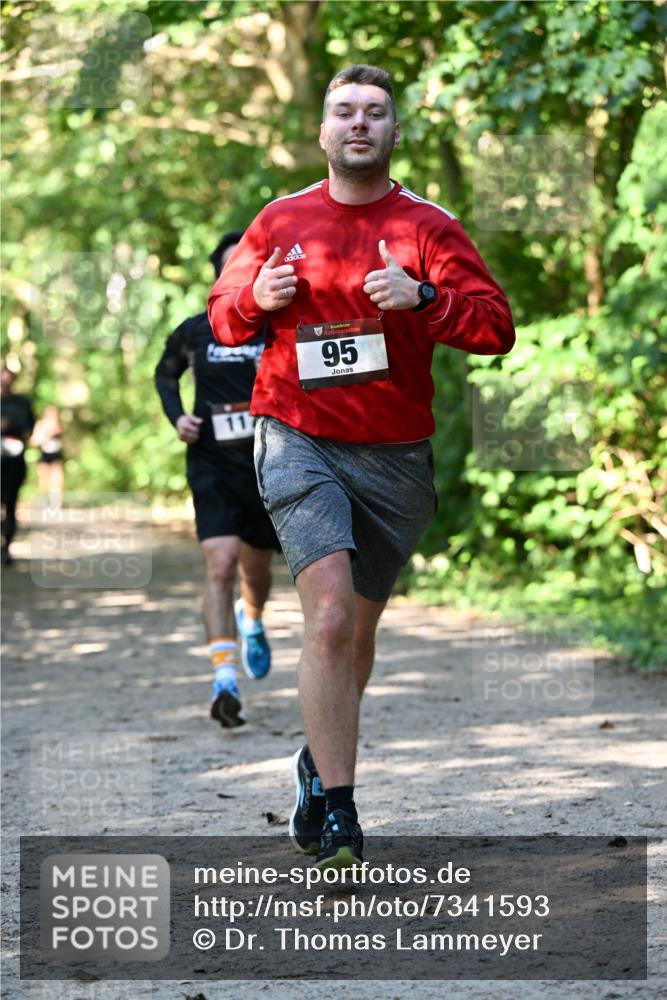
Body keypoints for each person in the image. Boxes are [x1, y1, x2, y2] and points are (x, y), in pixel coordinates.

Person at [208, 65, 515, 868]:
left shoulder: (427, 227)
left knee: (357, 633)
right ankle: (340, 811)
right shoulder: (279, 220)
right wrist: (255, 301)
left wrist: (422, 300)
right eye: (342, 110)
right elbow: (223, 316)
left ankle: (317, 766)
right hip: (296, 434)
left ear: (393, 132)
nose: (357, 123)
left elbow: (494, 326)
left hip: (395, 455)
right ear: (321, 131)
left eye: (374, 112)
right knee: (331, 616)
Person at [155, 231, 280, 729]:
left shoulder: (277, 327)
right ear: (218, 276)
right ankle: (224, 679)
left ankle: (252, 619)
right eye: (232, 266)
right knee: (221, 564)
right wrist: (177, 417)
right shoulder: (194, 331)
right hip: (210, 462)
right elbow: (165, 375)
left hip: (269, 461)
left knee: (256, 569)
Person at [1, 365, 35, 566]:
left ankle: (7, 549)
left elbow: (30, 427)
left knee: (11, 505)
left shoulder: (21, 403)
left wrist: (10, 427)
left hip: (14, 461)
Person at [31, 404, 65, 508]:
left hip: (56, 455)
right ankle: (44, 501)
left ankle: (56, 503)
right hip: (44, 455)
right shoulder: (40, 425)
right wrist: (46, 434)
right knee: (44, 479)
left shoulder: (59, 425)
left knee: (57, 479)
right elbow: (34, 441)